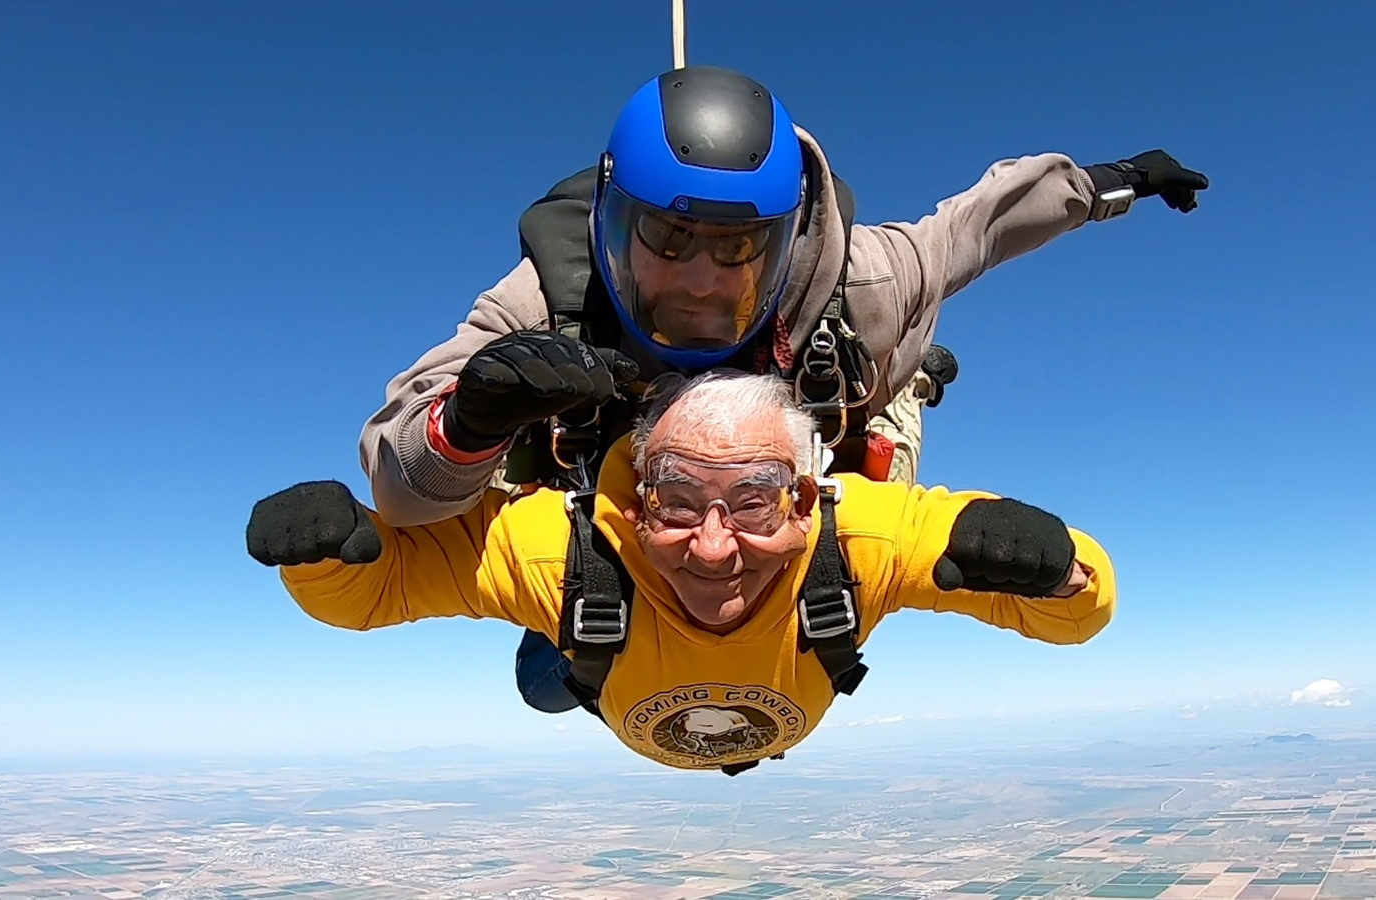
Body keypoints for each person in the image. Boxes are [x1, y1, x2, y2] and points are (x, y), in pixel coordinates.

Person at [358, 65, 1199, 715]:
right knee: (551, 674)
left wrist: (1110, 182)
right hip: (619, 494)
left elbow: (981, 224)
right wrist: (469, 422)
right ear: (614, 220)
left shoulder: (861, 281)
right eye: (668, 235)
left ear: (788, 239)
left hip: (802, 455)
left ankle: (908, 393)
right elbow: (400, 493)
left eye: (736, 247)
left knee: (865, 520)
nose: (697, 279)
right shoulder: (545, 302)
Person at [248, 371, 1116, 775]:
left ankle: (902, 388)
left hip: (658, 663)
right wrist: (328, 550)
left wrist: (1062, 571)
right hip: (600, 633)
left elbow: (1076, 612)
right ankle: (555, 453)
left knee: (882, 470)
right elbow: (378, 587)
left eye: (753, 501)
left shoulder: (862, 537)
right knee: (542, 681)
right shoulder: (558, 550)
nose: (712, 545)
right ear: (632, 502)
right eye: (674, 502)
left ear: (806, 502)